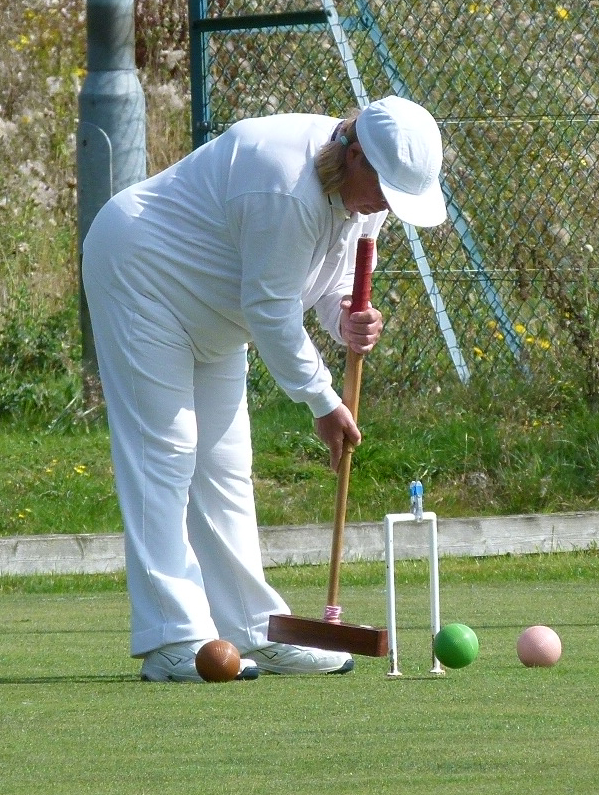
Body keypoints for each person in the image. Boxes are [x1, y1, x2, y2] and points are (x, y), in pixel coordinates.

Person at [82, 95, 447, 681]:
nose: (385, 206)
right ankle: (172, 639)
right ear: (355, 153)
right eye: (384, 190)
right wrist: (322, 400)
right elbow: (272, 309)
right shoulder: (285, 187)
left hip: (218, 308)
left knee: (225, 466)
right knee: (166, 452)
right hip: (142, 273)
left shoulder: (366, 194)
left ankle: (255, 629)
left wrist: (345, 319)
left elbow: (325, 279)